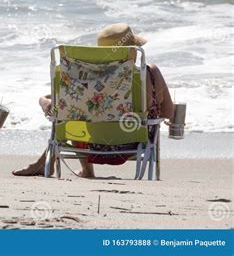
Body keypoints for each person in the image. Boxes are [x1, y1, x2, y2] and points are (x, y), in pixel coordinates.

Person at [12, 23, 174, 178]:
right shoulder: (149, 73)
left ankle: (69, 167)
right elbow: (168, 112)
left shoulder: (87, 78)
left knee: (73, 110)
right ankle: (53, 165)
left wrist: (43, 101)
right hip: (133, 144)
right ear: (134, 50)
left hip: (89, 144)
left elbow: (64, 103)